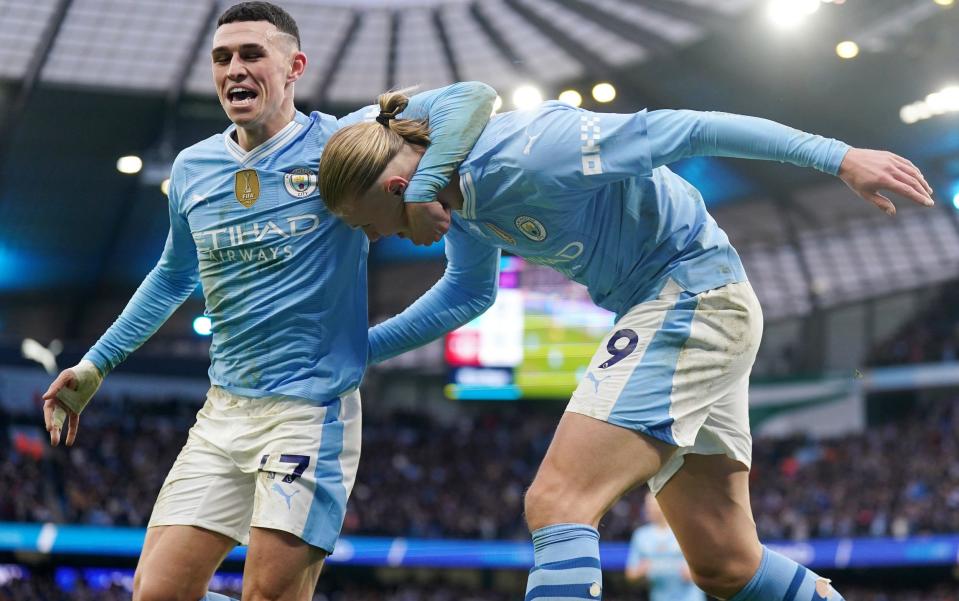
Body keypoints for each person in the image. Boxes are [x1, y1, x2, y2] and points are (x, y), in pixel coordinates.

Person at [316, 90, 935, 601]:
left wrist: (839, 157)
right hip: (687, 309)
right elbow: (467, 294)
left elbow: (690, 127)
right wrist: (359, 352)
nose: (371, 238)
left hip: (690, 298)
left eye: (365, 224)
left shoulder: (531, 155)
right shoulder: (461, 201)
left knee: (557, 500)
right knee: (725, 563)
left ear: (400, 186)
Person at [39, 2, 496, 600]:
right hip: (224, 413)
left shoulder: (344, 144)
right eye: (222, 58)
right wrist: (97, 363)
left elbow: (473, 97)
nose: (234, 69)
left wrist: (366, 344)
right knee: (155, 595)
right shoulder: (194, 167)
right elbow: (173, 276)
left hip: (310, 414)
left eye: (253, 54)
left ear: (294, 66)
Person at [626, 494, 706, 601]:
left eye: (653, 505)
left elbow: (707, 568)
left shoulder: (686, 531)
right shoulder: (641, 535)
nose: (649, 509)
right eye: (647, 505)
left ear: (665, 504)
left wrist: (695, 574)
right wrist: (641, 571)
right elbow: (631, 574)